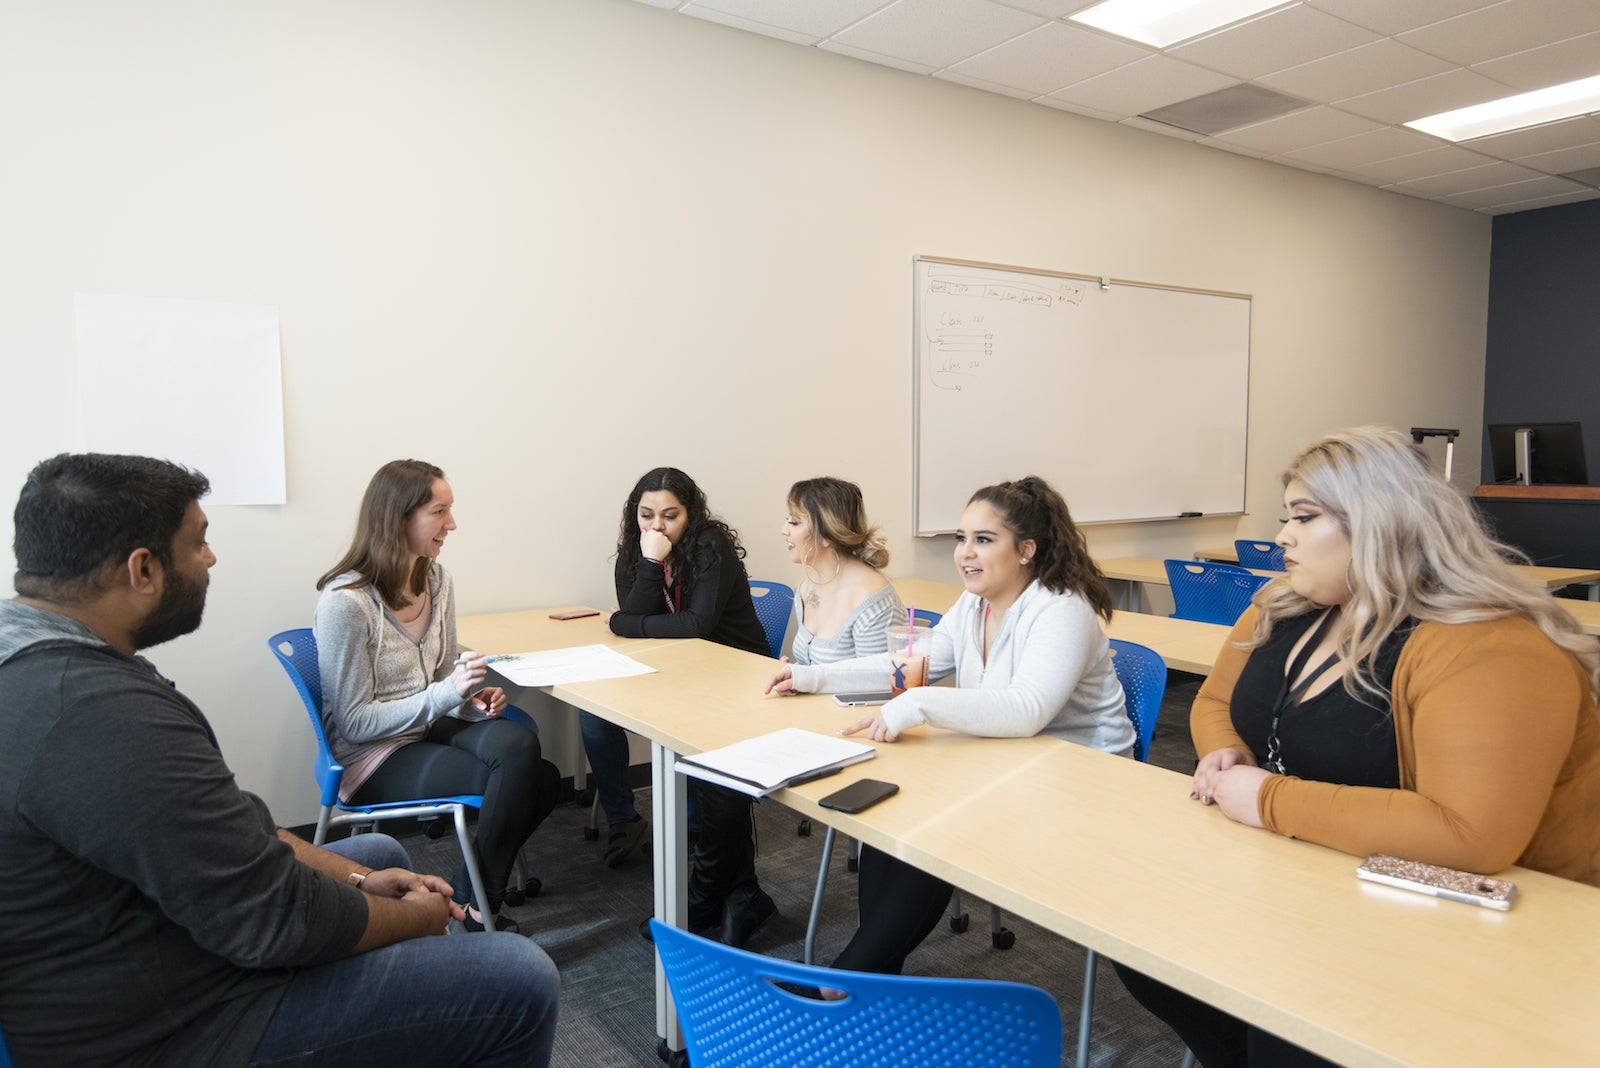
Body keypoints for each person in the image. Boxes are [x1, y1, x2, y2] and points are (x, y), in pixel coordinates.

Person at [0, 453, 558, 1067]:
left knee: (382, 853)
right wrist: (413, 918)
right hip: (176, 1023)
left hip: (155, 951)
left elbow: (232, 833)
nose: (211, 558)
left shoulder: (44, 663)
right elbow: (274, 918)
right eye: (199, 542)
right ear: (143, 569)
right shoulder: (102, 713)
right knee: (519, 976)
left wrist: (361, 883)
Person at [1115, 427, 1600, 1068]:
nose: (1282, 536)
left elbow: (1471, 837)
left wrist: (1268, 798)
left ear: (1381, 523)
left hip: (1485, 928)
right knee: (1149, 953)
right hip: (1324, 874)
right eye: (1286, 516)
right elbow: (1211, 703)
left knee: (1290, 1030)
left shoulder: (1490, 647)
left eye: (1305, 517)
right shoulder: (1283, 602)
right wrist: (1225, 752)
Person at [767, 475, 1134, 975]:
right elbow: (909, 663)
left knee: (935, 831)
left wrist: (920, 704)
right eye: (962, 538)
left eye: (984, 540)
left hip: (1086, 784)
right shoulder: (976, 602)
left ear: (1026, 549)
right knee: (891, 814)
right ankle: (866, 976)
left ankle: (850, 980)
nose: (965, 553)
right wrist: (812, 676)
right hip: (1010, 763)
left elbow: (1027, 708)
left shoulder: (1060, 607)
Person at [315, 460, 556, 934]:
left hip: (424, 727)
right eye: (440, 511)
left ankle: (467, 901)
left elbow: (444, 675)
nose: (452, 524)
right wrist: (446, 693)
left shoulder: (437, 580)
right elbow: (354, 722)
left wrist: (470, 698)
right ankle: (474, 911)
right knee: (529, 778)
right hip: (372, 756)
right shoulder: (346, 602)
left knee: (528, 758)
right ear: (399, 518)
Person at [594, 466, 777, 946]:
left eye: (670, 516)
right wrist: (650, 568)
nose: (657, 527)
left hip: (739, 675)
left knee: (718, 773)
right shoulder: (637, 552)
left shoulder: (709, 546)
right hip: (681, 678)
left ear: (690, 515)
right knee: (600, 718)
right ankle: (739, 893)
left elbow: (695, 624)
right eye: (646, 515)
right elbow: (636, 620)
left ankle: (708, 894)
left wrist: (625, 623)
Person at [782, 476, 904, 667]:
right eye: (787, 520)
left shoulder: (872, 599)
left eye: (795, 523)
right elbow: (813, 666)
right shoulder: (807, 587)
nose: (784, 530)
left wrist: (806, 679)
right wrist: (794, 673)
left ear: (827, 535)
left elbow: (877, 684)